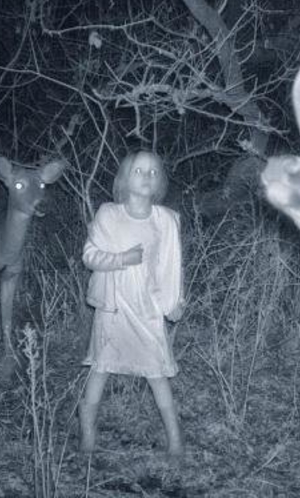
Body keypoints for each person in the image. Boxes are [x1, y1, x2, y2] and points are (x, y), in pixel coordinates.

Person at [79, 150, 185, 459]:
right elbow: (90, 256)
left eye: (153, 172)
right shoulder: (109, 214)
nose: (147, 176)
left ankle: (175, 438)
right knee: (101, 366)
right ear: (125, 178)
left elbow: (171, 266)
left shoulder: (164, 220)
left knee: (157, 371)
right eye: (139, 170)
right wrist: (121, 259)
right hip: (112, 307)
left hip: (146, 307)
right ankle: (87, 430)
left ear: (160, 181)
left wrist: (173, 302)